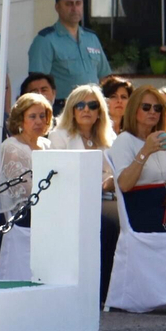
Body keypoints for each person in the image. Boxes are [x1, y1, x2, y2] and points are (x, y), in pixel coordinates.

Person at [49, 84, 119, 301]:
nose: (86, 109)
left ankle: (114, 291)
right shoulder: (59, 136)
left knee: (130, 220)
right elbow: (61, 175)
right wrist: (102, 182)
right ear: (71, 109)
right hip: (71, 203)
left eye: (92, 105)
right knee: (110, 226)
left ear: (100, 111)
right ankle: (98, 293)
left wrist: (109, 183)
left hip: (105, 199)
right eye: (80, 105)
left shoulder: (109, 137)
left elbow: (118, 172)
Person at [107, 85, 166, 238]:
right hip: (142, 213)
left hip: (165, 207)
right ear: (134, 109)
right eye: (146, 107)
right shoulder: (124, 140)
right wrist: (145, 151)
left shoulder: (159, 139)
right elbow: (124, 185)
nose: (153, 112)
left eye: (157, 108)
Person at [27, 0, 110, 104]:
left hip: (93, 107)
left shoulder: (91, 38)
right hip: (63, 109)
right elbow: (37, 85)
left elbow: (105, 77)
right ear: (57, 7)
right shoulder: (45, 40)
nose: (74, 8)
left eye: (78, 3)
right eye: (68, 4)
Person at [0, 93, 52, 224]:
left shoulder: (47, 144)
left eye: (42, 116)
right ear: (20, 120)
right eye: (32, 116)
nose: (39, 121)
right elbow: (24, 190)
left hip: (50, 205)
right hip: (25, 213)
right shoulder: (12, 147)